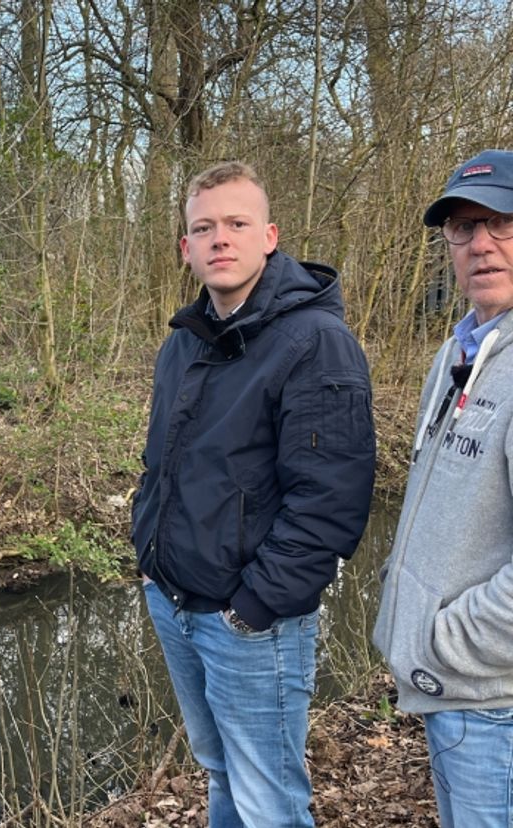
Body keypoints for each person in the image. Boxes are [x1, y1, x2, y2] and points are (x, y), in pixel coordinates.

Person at [130, 161, 376, 827]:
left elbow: (331, 499)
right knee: (222, 778)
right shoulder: (182, 343)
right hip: (175, 600)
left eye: (236, 223)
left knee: (269, 802)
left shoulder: (316, 343)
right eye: (203, 227)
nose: (219, 239)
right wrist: (148, 555)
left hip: (249, 624)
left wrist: (255, 606)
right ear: (185, 247)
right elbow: (165, 465)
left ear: (269, 236)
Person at [373, 148, 513, 827]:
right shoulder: (458, 351)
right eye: (463, 227)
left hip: (493, 703)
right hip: (453, 695)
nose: (481, 244)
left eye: (502, 223)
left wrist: (443, 641)